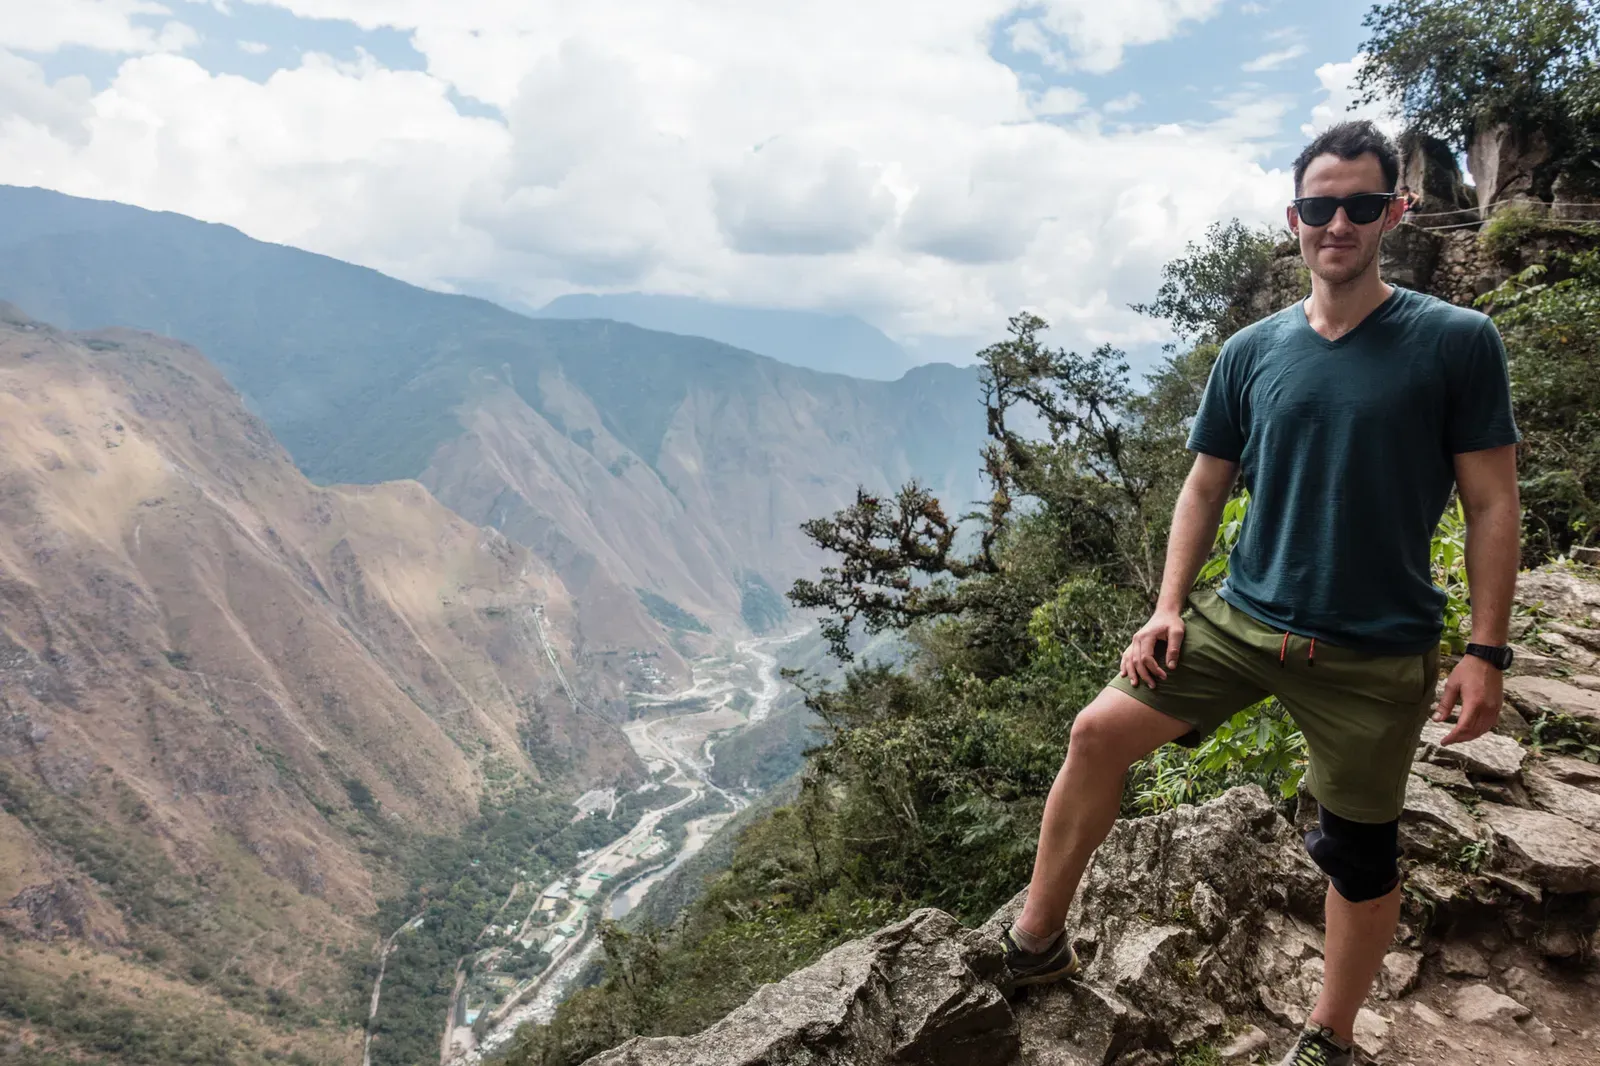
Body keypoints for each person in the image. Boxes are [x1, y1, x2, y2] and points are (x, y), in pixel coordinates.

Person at [1000, 120, 1521, 1066]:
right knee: (1095, 733)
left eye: (1362, 204)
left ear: (1394, 212)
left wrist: (1486, 652)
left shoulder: (1456, 342)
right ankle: (1036, 941)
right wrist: (1167, 607)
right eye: (1321, 206)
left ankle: (1328, 1037)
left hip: (1373, 648)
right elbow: (1204, 484)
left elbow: (1491, 503)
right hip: (1242, 618)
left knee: (1360, 856)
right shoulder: (1252, 351)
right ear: (1294, 219)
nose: (1339, 223)